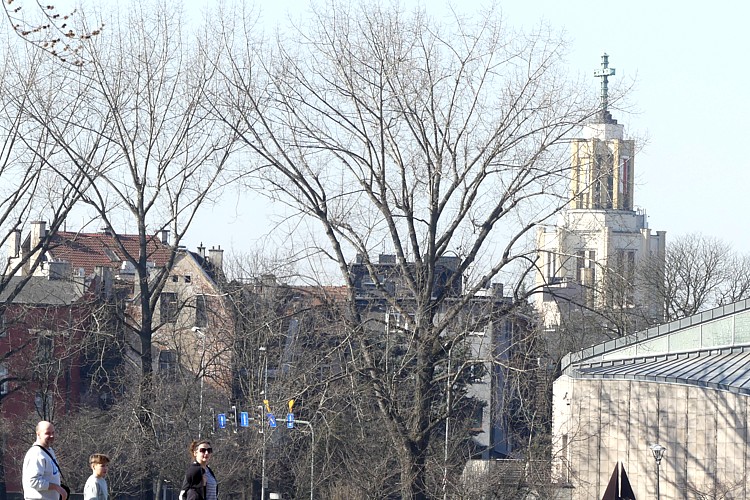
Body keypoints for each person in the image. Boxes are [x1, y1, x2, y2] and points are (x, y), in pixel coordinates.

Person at [22, 420, 68, 500]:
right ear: (38, 434)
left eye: (53, 433)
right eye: (47, 433)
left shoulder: (48, 451)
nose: (51, 436)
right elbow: (33, 481)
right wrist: (56, 487)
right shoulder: (36, 453)